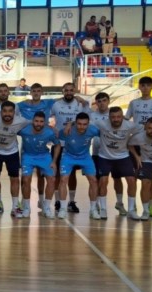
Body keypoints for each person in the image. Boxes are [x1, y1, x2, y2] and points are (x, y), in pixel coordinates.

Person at [125, 76, 152, 218]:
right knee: (133, 176)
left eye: (148, 85)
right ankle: (132, 207)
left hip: (151, 143)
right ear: (139, 87)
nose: (145, 88)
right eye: (142, 85)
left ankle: (149, 206)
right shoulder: (133, 103)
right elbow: (126, 121)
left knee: (151, 177)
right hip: (137, 143)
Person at [0, 101, 29, 218]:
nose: (7, 114)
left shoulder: (21, 121)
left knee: (15, 179)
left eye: (10, 111)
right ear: (0, 112)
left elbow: (38, 123)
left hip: (12, 152)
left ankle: (15, 208)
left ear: (14, 112)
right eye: (5, 111)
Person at [95, 107, 142, 220]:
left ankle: (131, 210)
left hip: (123, 156)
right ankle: (103, 209)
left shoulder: (130, 125)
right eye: (113, 117)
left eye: (118, 117)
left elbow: (145, 128)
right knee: (103, 181)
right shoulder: (101, 123)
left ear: (122, 117)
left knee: (131, 180)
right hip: (104, 157)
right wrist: (69, 125)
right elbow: (83, 122)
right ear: (109, 117)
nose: (116, 119)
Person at [51, 82, 90, 214]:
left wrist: (72, 123)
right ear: (63, 91)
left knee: (72, 174)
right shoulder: (56, 104)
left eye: (70, 90)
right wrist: (52, 128)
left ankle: (71, 202)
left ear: (74, 91)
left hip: (74, 144)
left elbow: (87, 117)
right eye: (66, 90)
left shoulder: (80, 104)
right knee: (56, 173)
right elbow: (45, 116)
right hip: (59, 144)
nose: (68, 92)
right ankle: (57, 201)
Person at [17, 83, 56, 210]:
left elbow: (65, 99)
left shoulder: (47, 103)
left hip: (43, 143)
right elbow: (8, 107)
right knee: (25, 177)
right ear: (31, 92)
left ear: (42, 92)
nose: (36, 93)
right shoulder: (23, 104)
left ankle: (42, 202)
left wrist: (79, 98)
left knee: (42, 176)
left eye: (38, 90)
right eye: (34, 91)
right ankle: (25, 202)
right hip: (28, 143)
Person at [59, 113, 100, 219]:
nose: (82, 126)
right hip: (68, 156)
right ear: (75, 123)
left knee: (93, 181)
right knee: (63, 179)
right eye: (79, 124)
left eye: (84, 124)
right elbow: (55, 138)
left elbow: (106, 134)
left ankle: (93, 209)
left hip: (85, 157)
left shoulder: (93, 130)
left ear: (88, 124)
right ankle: (63, 208)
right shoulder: (67, 130)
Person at [90, 93, 125, 215]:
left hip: (116, 152)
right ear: (96, 103)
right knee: (100, 180)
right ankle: (100, 205)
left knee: (117, 179)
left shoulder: (115, 115)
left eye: (104, 100)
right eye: (99, 101)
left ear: (108, 101)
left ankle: (119, 203)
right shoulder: (92, 116)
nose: (102, 103)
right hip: (98, 152)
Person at [19, 111, 59, 219]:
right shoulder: (24, 130)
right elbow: (10, 131)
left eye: (41, 122)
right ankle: (27, 207)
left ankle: (46, 207)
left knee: (52, 179)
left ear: (45, 123)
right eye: (36, 121)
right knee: (26, 180)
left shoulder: (49, 132)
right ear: (33, 121)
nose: (38, 124)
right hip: (28, 156)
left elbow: (58, 145)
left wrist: (54, 161)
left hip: (44, 156)